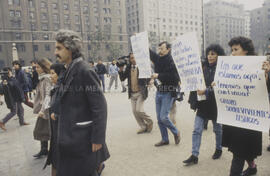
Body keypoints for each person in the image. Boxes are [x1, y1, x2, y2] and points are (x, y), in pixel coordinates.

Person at [54, 29, 110, 176]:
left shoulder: (85, 70)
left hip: (82, 140)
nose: (55, 52)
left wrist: (98, 139)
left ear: (70, 48)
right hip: (69, 140)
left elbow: (100, 107)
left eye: (59, 48)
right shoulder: (67, 70)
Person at [222, 36, 263, 176]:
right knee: (242, 148)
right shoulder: (228, 68)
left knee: (239, 152)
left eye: (235, 49)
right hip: (235, 117)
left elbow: (264, 90)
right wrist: (217, 86)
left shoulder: (259, 66)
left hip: (249, 118)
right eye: (231, 50)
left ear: (245, 50)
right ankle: (252, 167)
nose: (232, 53)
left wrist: (267, 74)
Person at [183, 44, 225, 165]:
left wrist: (206, 90)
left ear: (219, 55)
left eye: (213, 54)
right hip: (202, 104)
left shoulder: (222, 69)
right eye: (209, 54)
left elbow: (219, 87)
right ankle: (194, 155)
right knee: (196, 130)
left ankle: (218, 149)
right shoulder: (203, 67)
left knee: (218, 130)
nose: (210, 56)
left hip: (216, 105)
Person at [149, 41, 181, 147]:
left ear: (168, 49)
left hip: (168, 92)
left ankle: (176, 132)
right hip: (159, 91)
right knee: (159, 119)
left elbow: (174, 77)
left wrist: (158, 75)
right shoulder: (158, 58)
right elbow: (150, 53)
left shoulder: (172, 61)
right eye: (159, 49)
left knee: (163, 117)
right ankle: (165, 139)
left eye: (162, 48)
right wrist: (140, 40)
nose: (160, 51)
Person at [119, 53, 153, 134]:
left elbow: (148, 76)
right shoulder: (128, 67)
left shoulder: (142, 67)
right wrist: (120, 70)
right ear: (129, 59)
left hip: (141, 92)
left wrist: (150, 81)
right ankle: (143, 126)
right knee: (134, 111)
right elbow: (122, 78)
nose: (133, 59)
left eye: (134, 57)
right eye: (131, 58)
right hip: (132, 93)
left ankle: (150, 121)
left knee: (139, 110)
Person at [45, 63, 66, 176]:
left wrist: (57, 114)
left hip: (62, 132)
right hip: (55, 131)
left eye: (53, 73)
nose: (50, 76)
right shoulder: (55, 88)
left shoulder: (63, 89)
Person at [33, 58, 52, 159]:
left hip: (47, 110)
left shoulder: (47, 79)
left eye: (38, 67)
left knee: (47, 131)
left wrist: (42, 110)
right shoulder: (42, 78)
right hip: (44, 109)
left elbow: (48, 95)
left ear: (44, 67)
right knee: (41, 130)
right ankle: (44, 150)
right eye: (36, 67)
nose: (36, 69)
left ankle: (48, 151)